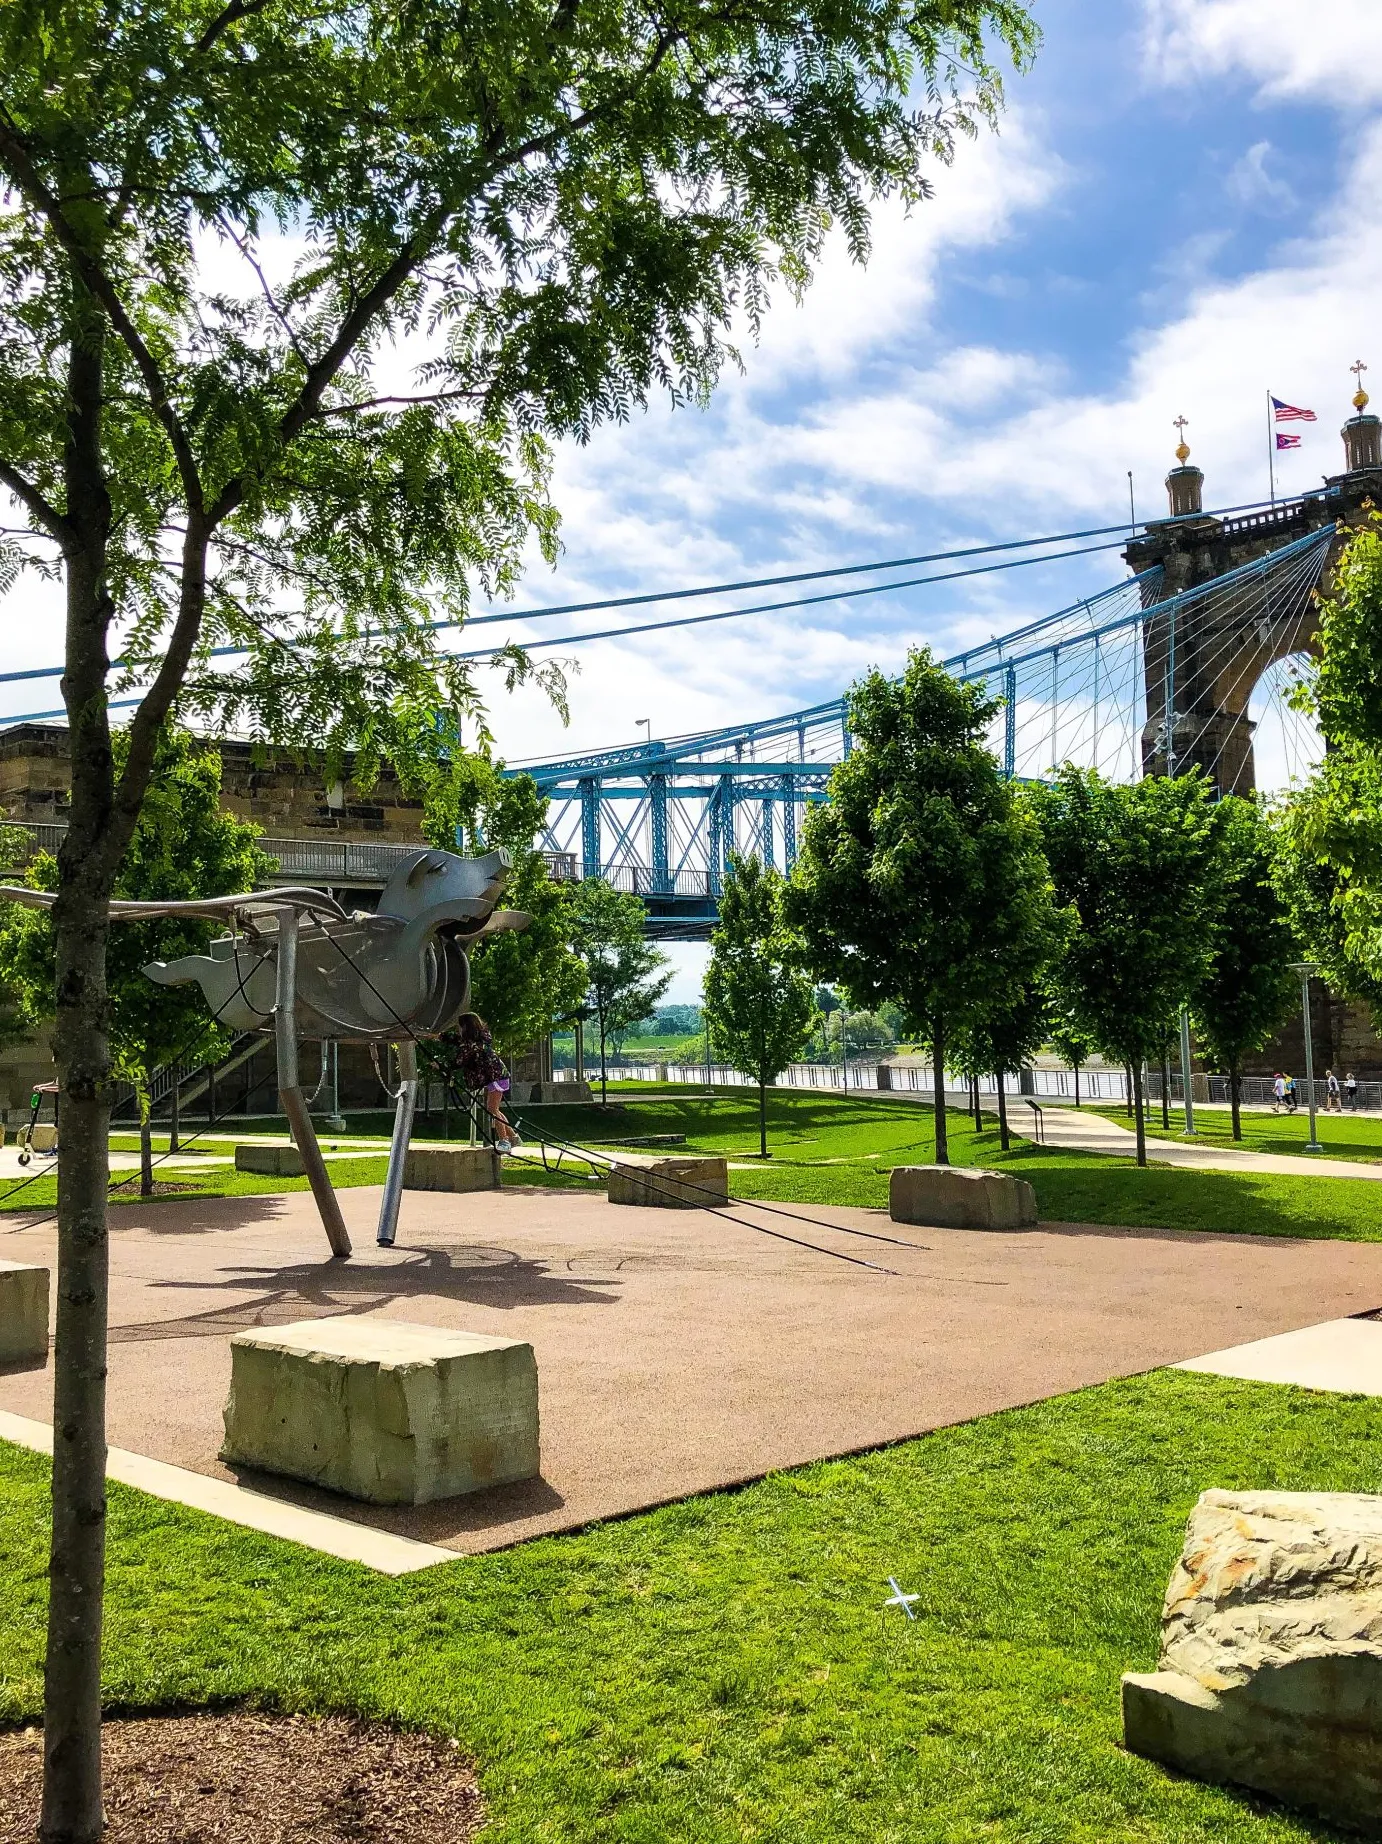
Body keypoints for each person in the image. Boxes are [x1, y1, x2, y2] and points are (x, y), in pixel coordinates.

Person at [453, 1011, 521, 1152]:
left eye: (460, 1027)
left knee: (492, 1110)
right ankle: (513, 1137)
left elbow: (460, 1060)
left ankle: (504, 1141)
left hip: (496, 1077)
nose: (458, 1030)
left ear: (466, 1027)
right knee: (495, 1109)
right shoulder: (477, 1039)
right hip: (497, 1076)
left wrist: (443, 1066)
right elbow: (456, 1040)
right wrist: (438, 1036)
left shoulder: (474, 1045)